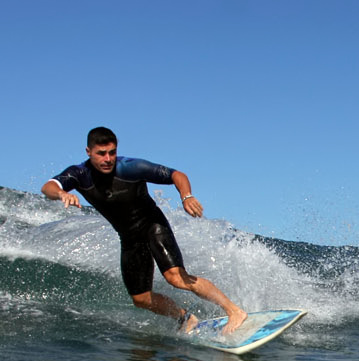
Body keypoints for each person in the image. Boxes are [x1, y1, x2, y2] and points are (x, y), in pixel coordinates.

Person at [41, 127, 247, 333]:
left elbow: (177, 175)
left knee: (175, 277)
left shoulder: (130, 168)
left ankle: (234, 311)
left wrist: (187, 196)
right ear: (88, 152)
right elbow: (48, 186)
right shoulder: (79, 175)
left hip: (152, 226)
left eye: (111, 152)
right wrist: (61, 194)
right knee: (141, 299)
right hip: (129, 238)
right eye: (101, 153)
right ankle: (185, 318)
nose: (107, 159)